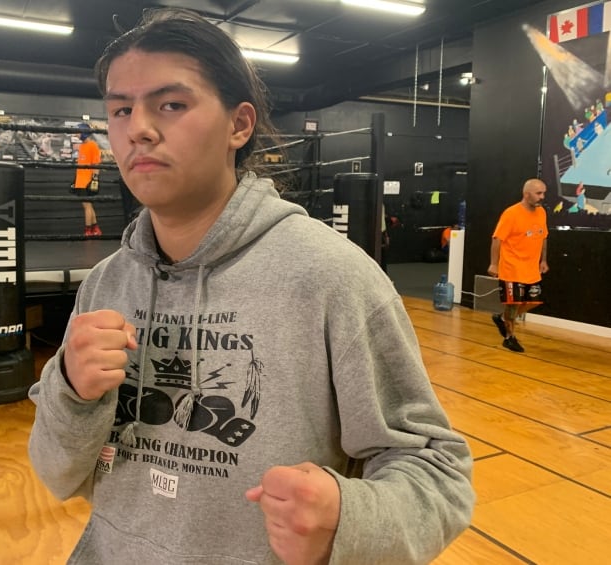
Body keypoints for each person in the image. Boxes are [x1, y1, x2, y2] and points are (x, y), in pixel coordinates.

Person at [28, 8, 474, 565]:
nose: (137, 127)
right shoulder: (106, 283)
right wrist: (70, 388)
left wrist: (350, 517)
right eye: (121, 109)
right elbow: (55, 474)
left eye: (171, 104)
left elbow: (437, 473)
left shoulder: (330, 276)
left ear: (239, 125)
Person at [488, 178, 549, 353]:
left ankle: (501, 318)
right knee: (513, 304)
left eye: (543, 193)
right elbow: (497, 239)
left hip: (531, 269)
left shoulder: (541, 213)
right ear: (526, 194)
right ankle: (509, 337)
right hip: (511, 267)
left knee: (533, 301)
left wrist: (543, 260)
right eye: (538, 193)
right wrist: (493, 264)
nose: (542, 197)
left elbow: (543, 237)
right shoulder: (511, 214)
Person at [74, 123, 103, 237]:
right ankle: (95, 228)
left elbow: (96, 164)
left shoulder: (93, 145)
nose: (76, 134)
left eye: (78, 131)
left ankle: (88, 230)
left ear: (84, 132)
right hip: (80, 181)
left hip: (87, 181)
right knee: (88, 206)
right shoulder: (82, 146)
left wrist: (94, 180)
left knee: (87, 206)